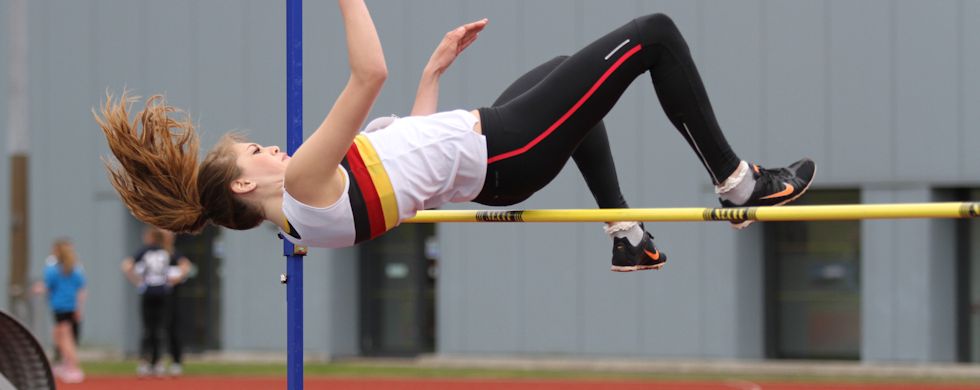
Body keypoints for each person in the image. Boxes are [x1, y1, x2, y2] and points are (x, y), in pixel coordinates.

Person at [96, 1, 815, 272]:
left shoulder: (306, 219)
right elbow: (367, 72)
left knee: (572, 75)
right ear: (248, 185)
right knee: (653, 35)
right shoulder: (307, 185)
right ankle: (740, 183)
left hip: (492, 160)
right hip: (503, 148)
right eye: (258, 153)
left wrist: (435, 70)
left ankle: (626, 235)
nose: (273, 149)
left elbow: (409, 155)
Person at [121, 227, 191, 377]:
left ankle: (149, 362)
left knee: (152, 329)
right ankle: (155, 362)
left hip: (151, 293)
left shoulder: (148, 251)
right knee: (157, 329)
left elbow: (127, 265)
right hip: (161, 293)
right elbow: (185, 266)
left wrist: (138, 281)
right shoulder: (165, 252)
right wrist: (171, 280)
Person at [40, 238, 86, 383]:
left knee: (66, 338)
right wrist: (79, 308)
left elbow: (47, 286)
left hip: (59, 306)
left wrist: (38, 289)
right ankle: (66, 364)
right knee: (60, 335)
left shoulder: (53, 270)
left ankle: (73, 367)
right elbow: (81, 290)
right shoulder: (75, 269)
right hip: (70, 306)